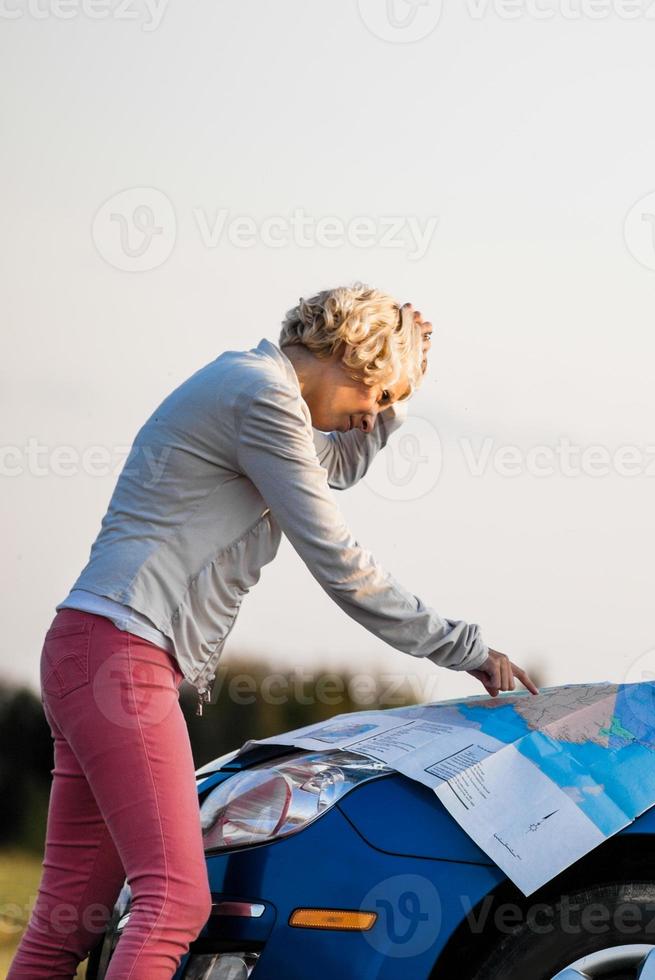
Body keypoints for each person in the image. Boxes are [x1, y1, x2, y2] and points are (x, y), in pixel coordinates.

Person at [8, 283, 537, 980]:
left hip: (91, 647)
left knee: (67, 920)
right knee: (173, 902)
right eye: (375, 397)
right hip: (121, 657)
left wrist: (398, 397)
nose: (366, 419)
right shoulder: (261, 397)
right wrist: (467, 648)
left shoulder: (251, 391)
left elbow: (333, 466)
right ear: (351, 356)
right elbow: (345, 568)